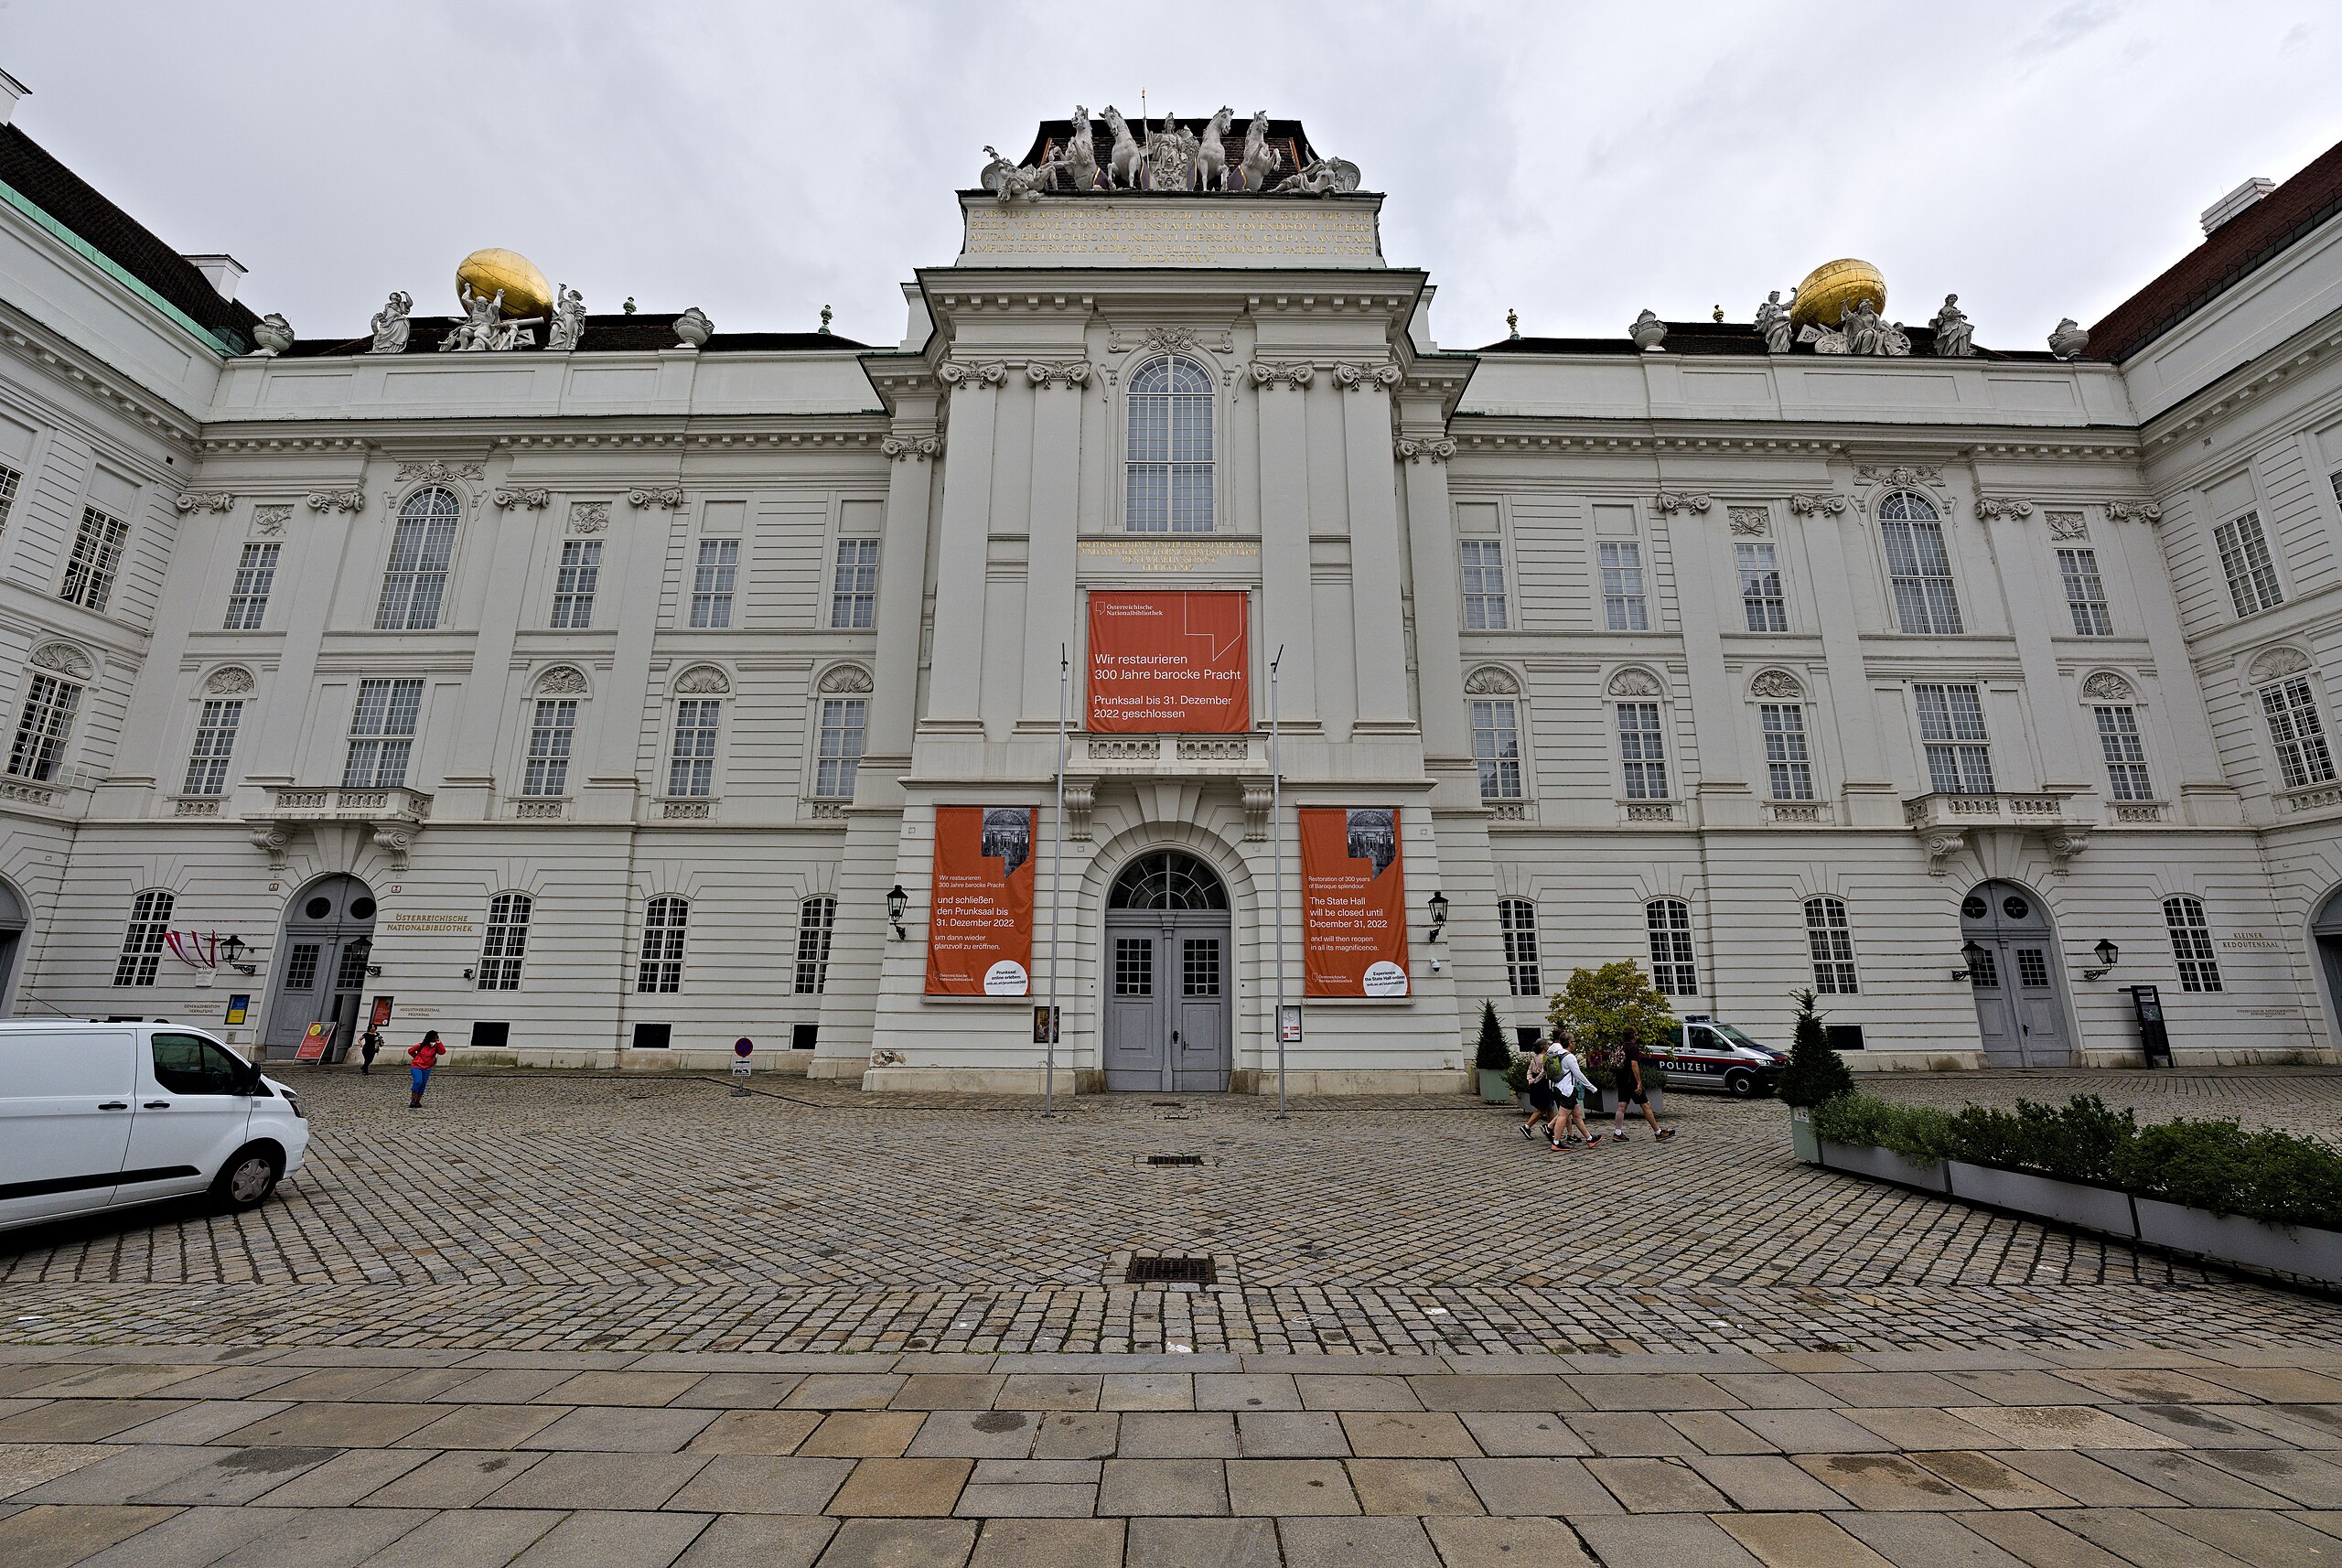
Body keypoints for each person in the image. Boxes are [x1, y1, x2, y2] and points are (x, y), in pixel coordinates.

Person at [1610, 1035, 1677, 1142]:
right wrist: (1639, 1082)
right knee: (1646, 1105)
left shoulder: (1620, 1046)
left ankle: (1617, 1133)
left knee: (1621, 1106)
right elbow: (1634, 1064)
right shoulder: (1633, 1048)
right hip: (1631, 1081)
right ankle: (1658, 1132)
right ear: (1633, 1036)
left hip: (1620, 1079)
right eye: (1636, 1034)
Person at [1549, 1036, 1600, 1149]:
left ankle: (1589, 1138)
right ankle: (1556, 1143)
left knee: (1577, 1114)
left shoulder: (1558, 1053)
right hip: (1567, 1090)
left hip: (1558, 1087)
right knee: (1563, 1115)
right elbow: (1578, 1074)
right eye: (1574, 1042)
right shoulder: (1570, 1057)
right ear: (1571, 1043)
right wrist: (1591, 1087)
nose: (1575, 1044)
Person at [1520, 1041, 1560, 1143]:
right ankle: (1527, 1126)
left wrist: (1530, 1079)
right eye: (1547, 1044)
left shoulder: (1534, 1057)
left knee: (1550, 1106)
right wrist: (1536, 1080)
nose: (1548, 1046)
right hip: (1543, 1084)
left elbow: (1529, 1070)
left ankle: (1551, 1129)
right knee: (1543, 1107)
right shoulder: (1544, 1057)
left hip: (1536, 1084)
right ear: (1543, 1047)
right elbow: (1543, 1072)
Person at [407, 1030, 446, 1108]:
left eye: (436, 1038)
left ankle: (418, 1101)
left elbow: (442, 1052)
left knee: (423, 1084)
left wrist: (439, 1043)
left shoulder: (436, 1047)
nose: (435, 1040)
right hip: (416, 1066)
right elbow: (410, 1051)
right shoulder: (421, 1045)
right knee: (418, 1081)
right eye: (434, 1038)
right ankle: (413, 1100)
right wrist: (416, 1057)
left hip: (427, 1068)